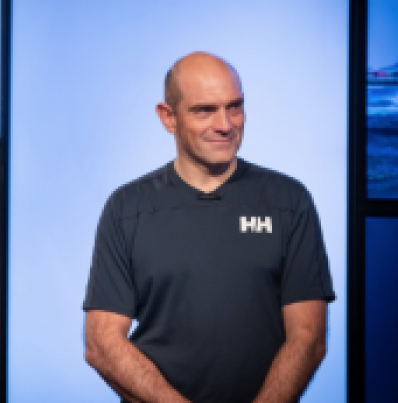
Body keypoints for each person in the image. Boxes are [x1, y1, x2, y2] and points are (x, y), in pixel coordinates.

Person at [83, 52, 335, 403]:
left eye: (235, 107)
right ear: (168, 117)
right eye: (204, 110)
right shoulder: (128, 208)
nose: (225, 124)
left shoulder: (288, 201)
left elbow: (308, 336)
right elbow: (102, 343)